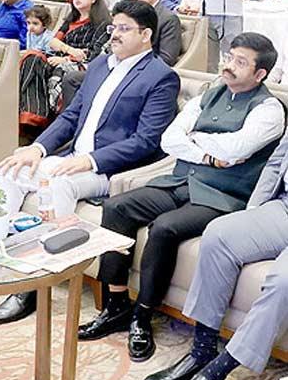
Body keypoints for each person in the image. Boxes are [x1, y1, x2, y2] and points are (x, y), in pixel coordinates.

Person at [77, 33, 283, 360]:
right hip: (180, 181)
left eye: (240, 62)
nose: (229, 65)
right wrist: (209, 155)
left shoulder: (269, 109)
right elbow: (170, 138)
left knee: (164, 228)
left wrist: (195, 139)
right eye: (229, 57)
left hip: (222, 196)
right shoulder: (210, 93)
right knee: (117, 208)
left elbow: (236, 149)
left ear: (260, 74)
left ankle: (142, 316)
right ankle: (116, 305)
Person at [0, 0, 181, 325]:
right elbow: (71, 115)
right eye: (113, 27)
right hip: (73, 157)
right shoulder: (101, 64)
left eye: (124, 29)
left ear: (146, 35)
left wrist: (91, 160)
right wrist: (38, 148)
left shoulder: (161, 77)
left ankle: (35, 285)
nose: (114, 34)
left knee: (58, 185)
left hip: (111, 170)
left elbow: (146, 141)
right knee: (11, 169)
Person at [147, 133, 288, 380]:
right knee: (218, 234)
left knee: (283, 280)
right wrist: (253, 213)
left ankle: (217, 372)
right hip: (283, 207)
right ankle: (202, 350)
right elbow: (277, 162)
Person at [18, 0, 111, 127]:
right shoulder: (71, 20)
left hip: (79, 64)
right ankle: (32, 116)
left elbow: (93, 54)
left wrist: (66, 59)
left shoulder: (103, 23)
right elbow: (53, 42)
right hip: (59, 56)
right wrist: (69, 51)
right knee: (32, 58)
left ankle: (38, 120)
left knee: (43, 64)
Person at [127, 0, 183, 66]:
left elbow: (167, 59)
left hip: (148, 69)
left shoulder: (168, 19)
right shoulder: (130, 16)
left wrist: (133, 63)